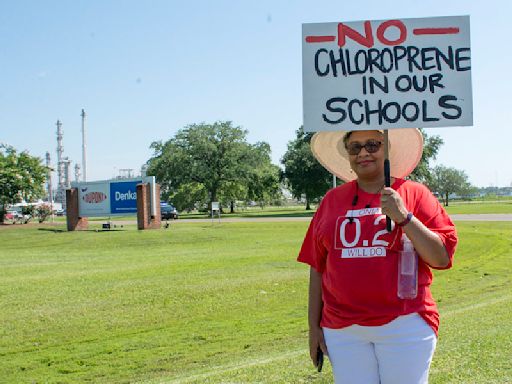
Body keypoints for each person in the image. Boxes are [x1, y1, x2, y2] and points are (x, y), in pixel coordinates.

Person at [298, 128, 458, 384]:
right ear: (348, 154)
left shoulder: (414, 193)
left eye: (373, 145)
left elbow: (441, 258)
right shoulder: (331, 200)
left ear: (387, 150)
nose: (363, 153)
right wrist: (313, 328)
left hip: (404, 324)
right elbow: (317, 266)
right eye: (355, 147)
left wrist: (404, 217)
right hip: (342, 330)